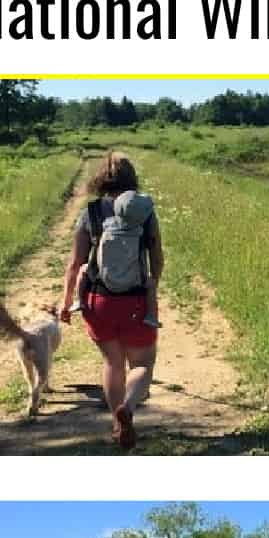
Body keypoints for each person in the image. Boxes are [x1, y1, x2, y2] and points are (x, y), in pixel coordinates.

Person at [59, 152, 163, 448]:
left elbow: (74, 262)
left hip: (97, 301)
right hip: (135, 301)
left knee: (112, 363)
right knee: (142, 365)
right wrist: (151, 288)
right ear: (132, 180)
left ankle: (117, 426)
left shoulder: (90, 213)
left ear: (101, 178)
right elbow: (157, 258)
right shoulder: (144, 212)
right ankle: (128, 408)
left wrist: (66, 301)